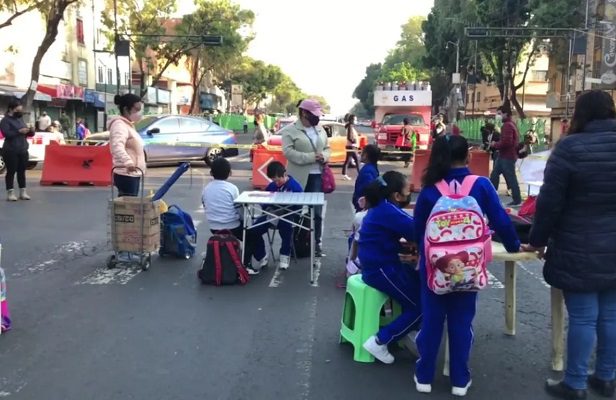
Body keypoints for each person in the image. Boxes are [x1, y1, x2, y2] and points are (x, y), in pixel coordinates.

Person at [523, 90, 616, 400]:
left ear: (581, 113)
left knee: (584, 316)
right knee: (611, 315)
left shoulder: (570, 149)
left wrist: (536, 241)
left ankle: (575, 382)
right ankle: (606, 376)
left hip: (579, 246)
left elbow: (549, 204)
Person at [413, 135, 521, 397]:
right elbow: (502, 221)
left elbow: (418, 231)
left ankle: (424, 377)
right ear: (468, 156)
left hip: (435, 266)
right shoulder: (481, 185)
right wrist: (515, 246)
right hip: (469, 267)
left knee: (432, 322)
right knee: (462, 322)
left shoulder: (429, 190)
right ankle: (460, 380)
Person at [359, 171, 421, 364]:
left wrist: (403, 245)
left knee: (419, 284)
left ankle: (410, 329)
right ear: (396, 195)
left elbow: (384, 238)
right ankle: (381, 340)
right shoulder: (389, 210)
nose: (409, 193)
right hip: (381, 270)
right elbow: (417, 230)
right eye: (406, 190)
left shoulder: (381, 207)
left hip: (378, 264)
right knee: (422, 306)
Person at [281, 99, 331, 257]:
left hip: (317, 176)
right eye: (314, 115)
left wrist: (324, 156)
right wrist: (311, 157)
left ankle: (316, 244)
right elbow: (288, 152)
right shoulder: (290, 130)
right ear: (304, 113)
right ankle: (291, 246)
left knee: (316, 213)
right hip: (297, 177)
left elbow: (327, 148)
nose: (317, 118)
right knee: (295, 211)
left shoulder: (320, 129)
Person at [202, 158, 267, 275]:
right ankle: (247, 264)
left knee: (248, 235)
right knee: (252, 236)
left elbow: (204, 204)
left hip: (214, 226)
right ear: (230, 173)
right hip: (232, 225)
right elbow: (239, 208)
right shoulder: (231, 188)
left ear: (211, 173)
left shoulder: (206, 189)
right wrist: (244, 222)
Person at [254, 161, 303, 271]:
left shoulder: (295, 187)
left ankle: (284, 255)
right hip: (272, 214)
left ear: (284, 174)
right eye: (273, 180)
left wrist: (289, 211)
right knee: (254, 229)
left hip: (288, 214)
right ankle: (261, 256)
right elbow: (264, 202)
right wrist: (267, 209)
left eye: (278, 179)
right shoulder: (271, 186)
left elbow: (299, 207)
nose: (276, 183)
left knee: (286, 227)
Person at [109, 94, 146, 197]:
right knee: (128, 208)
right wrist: (128, 162)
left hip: (133, 173)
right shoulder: (119, 125)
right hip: (126, 173)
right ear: (126, 109)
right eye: (137, 109)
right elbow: (117, 146)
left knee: (129, 208)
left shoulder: (128, 125)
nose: (139, 112)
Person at [0, 98, 34, 201]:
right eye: (17, 110)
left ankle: (23, 192)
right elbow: (7, 134)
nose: (20, 112)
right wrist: (19, 131)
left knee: (22, 171)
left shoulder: (20, 119)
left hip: (23, 149)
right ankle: (10, 193)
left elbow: (26, 133)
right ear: (11, 109)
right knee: (11, 171)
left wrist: (30, 131)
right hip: (11, 150)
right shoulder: (5, 120)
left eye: (21, 109)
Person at [489, 101, 522, 206]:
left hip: (507, 156)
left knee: (511, 178)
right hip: (505, 155)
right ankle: (492, 196)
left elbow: (507, 142)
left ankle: (517, 199)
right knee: (494, 175)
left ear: (506, 114)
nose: (498, 116)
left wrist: (495, 144)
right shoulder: (511, 124)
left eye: (499, 114)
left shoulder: (507, 126)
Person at [352, 144, 380, 212]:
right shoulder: (373, 168)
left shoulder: (367, 171)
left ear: (366, 155)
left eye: (362, 152)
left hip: (364, 208)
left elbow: (368, 190)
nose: (360, 154)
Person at [342, 114, 360, 180]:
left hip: (351, 146)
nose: (356, 121)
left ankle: (344, 174)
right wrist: (354, 141)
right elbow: (349, 137)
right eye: (355, 119)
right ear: (351, 120)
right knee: (357, 160)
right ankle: (360, 174)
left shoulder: (350, 126)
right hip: (352, 146)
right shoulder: (350, 126)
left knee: (348, 161)